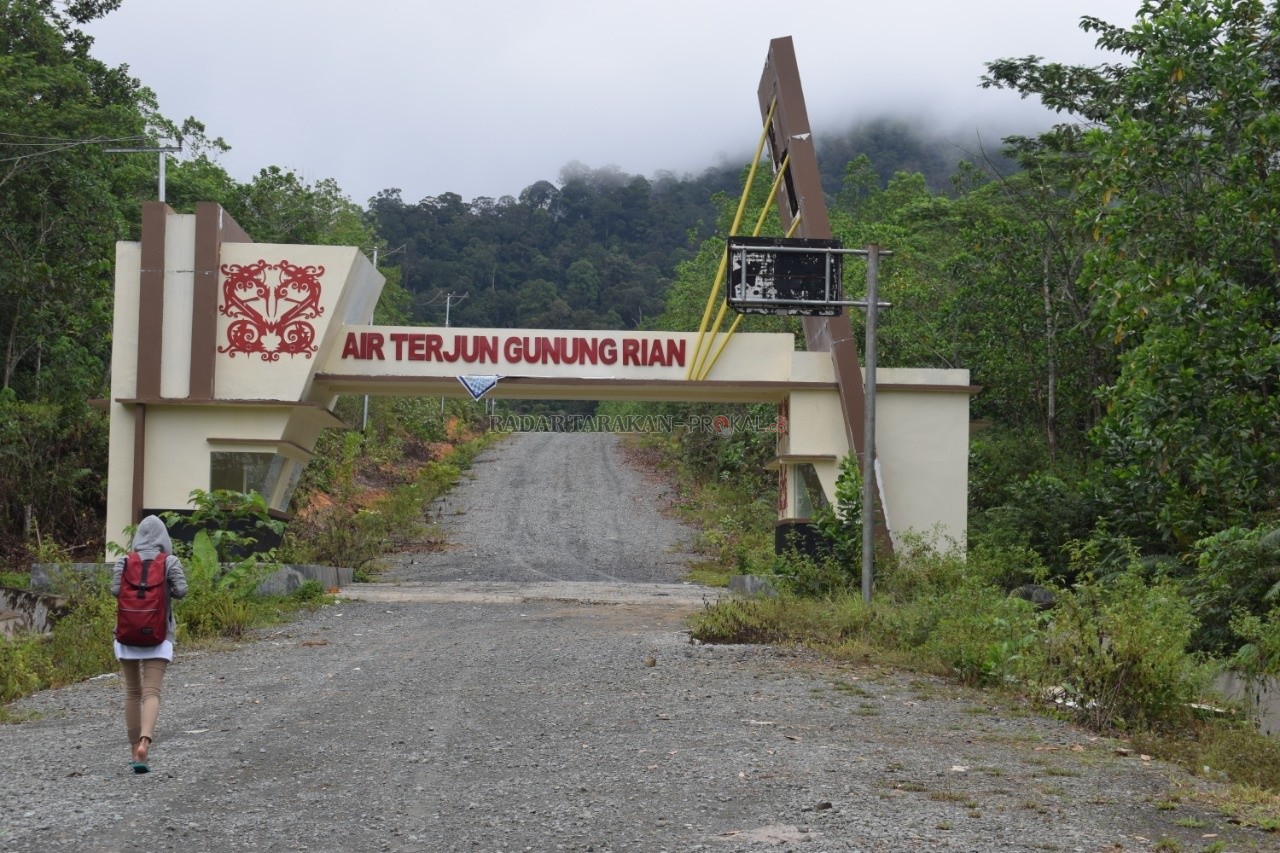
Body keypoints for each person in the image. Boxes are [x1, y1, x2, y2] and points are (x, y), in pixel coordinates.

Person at [110, 514, 188, 774]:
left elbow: (115, 591)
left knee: (133, 692)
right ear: (164, 539)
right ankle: (146, 743)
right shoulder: (170, 562)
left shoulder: (123, 561)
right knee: (151, 692)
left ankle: (134, 752)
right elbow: (182, 591)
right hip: (159, 634)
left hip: (127, 635)